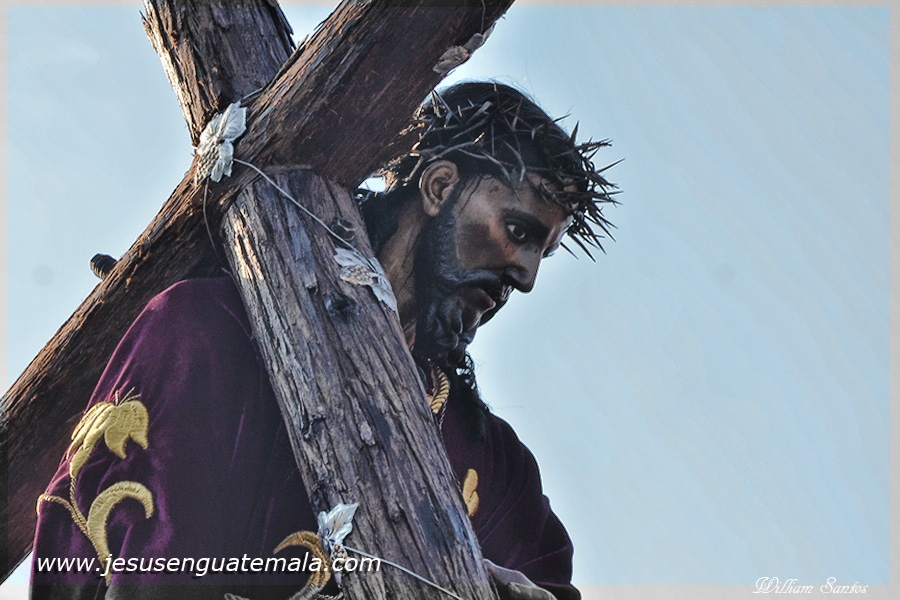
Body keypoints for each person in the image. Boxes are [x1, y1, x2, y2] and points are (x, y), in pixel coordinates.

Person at [30, 82, 617, 600]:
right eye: (517, 231)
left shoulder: (500, 471)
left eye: (543, 253)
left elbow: (547, 582)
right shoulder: (206, 337)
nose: (526, 277)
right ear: (440, 186)